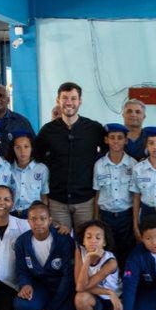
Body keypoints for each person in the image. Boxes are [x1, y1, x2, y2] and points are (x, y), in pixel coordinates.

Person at [35, 82, 107, 237]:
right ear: (57, 100)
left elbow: (107, 155)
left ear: (80, 101)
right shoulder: (47, 131)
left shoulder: (94, 129)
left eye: (73, 98)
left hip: (86, 201)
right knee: (61, 244)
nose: (69, 102)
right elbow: (37, 160)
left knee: (86, 242)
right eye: (65, 98)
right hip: (57, 201)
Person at [14, 202, 79, 310]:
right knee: (22, 304)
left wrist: (51, 308)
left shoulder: (64, 240)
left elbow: (68, 278)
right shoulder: (22, 241)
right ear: (28, 221)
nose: (38, 223)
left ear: (50, 220)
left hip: (63, 291)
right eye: (34, 219)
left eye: (43, 218)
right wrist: (25, 284)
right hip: (41, 289)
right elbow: (21, 269)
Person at [74, 220, 123, 310]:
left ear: (104, 242)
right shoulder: (80, 251)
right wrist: (88, 260)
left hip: (112, 303)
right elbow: (79, 286)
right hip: (96, 299)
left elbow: (85, 285)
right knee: (80, 297)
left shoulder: (110, 261)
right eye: (88, 237)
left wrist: (111, 294)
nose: (93, 240)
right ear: (83, 241)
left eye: (98, 237)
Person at [93, 123, 137, 266]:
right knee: (108, 251)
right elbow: (97, 192)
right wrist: (96, 218)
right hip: (106, 216)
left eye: (120, 138)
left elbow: (136, 195)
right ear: (106, 140)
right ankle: (110, 282)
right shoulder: (99, 164)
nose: (116, 141)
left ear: (126, 140)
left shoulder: (133, 164)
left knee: (127, 251)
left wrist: (135, 220)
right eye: (112, 138)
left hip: (126, 215)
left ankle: (125, 281)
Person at [9, 132, 49, 218]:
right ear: (13, 149)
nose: (22, 151)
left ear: (32, 148)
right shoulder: (8, 169)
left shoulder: (41, 169)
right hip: (12, 214)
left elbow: (44, 196)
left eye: (26, 147)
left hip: (33, 215)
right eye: (18, 147)